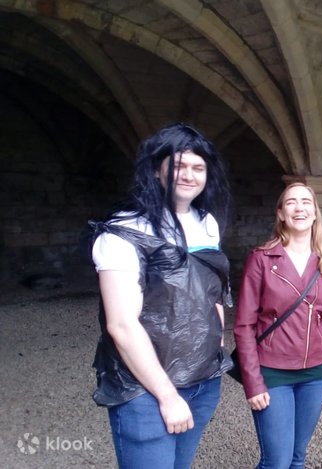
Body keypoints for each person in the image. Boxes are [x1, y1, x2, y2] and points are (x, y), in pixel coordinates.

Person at [89, 122, 234, 469]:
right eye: (179, 165)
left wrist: (216, 346)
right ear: (157, 170)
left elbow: (212, 289)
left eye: (198, 167)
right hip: (145, 388)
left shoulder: (206, 223)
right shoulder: (125, 230)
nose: (189, 175)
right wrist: (167, 396)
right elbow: (122, 325)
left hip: (202, 379)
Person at [234, 182, 322, 469]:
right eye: (291, 202)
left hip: (315, 374)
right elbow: (244, 326)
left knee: (297, 457)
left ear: (315, 212)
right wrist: (253, 382)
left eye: (306, 202)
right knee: (277, 461)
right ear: (281, 213)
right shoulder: (261, 259)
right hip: (273, 372)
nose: (299, 208)